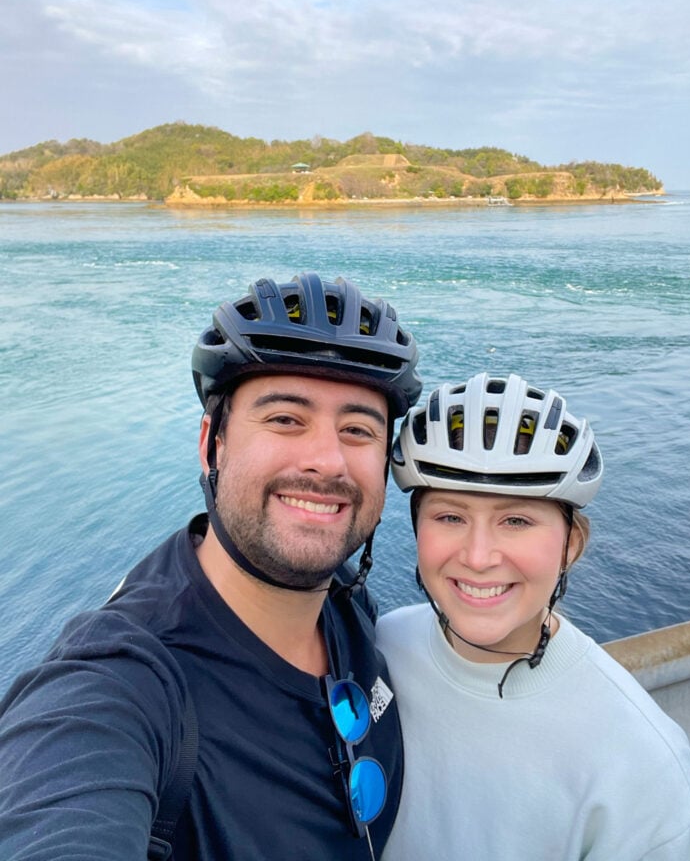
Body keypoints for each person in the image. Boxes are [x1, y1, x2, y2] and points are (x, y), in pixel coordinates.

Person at [0, 271, 422, 861]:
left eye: (357, 430)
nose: (328, 461)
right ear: (211, 445)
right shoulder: (125, 684)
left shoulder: (345, 599)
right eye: (284, 419)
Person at [376, 371, 690, 860]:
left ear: (571, 545)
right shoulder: (384, 645)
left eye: (516, 520)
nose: (478, 556)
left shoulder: (642, 775)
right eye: (450, 517)